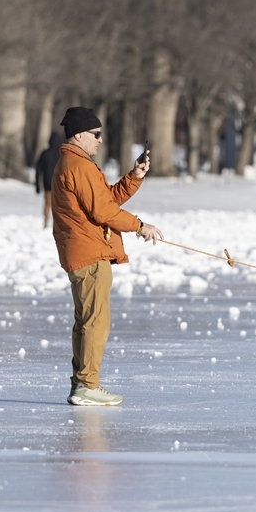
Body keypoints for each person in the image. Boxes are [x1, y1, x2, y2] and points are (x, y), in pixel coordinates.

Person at [52, 107, 163, 407]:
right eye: (96, 134)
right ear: (79, 135)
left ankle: (82, 382)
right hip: (89, 254)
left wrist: (134, 177)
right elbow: (104, 212)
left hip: (83, 252)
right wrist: (140, 226)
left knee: (87, 320)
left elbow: (104, 201)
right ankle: (87, 385)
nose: (100, 140)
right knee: (95, 321)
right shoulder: (79, 166)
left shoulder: (75, 164)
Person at [36, 131, 63, 228]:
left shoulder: (44, 153)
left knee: (47, 203)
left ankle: (46, 221)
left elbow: (38, 169)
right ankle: (56, 223)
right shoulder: (61, 154)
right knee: (58, 204)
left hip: (47, 182)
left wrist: (37, 185)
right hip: (59, 184)